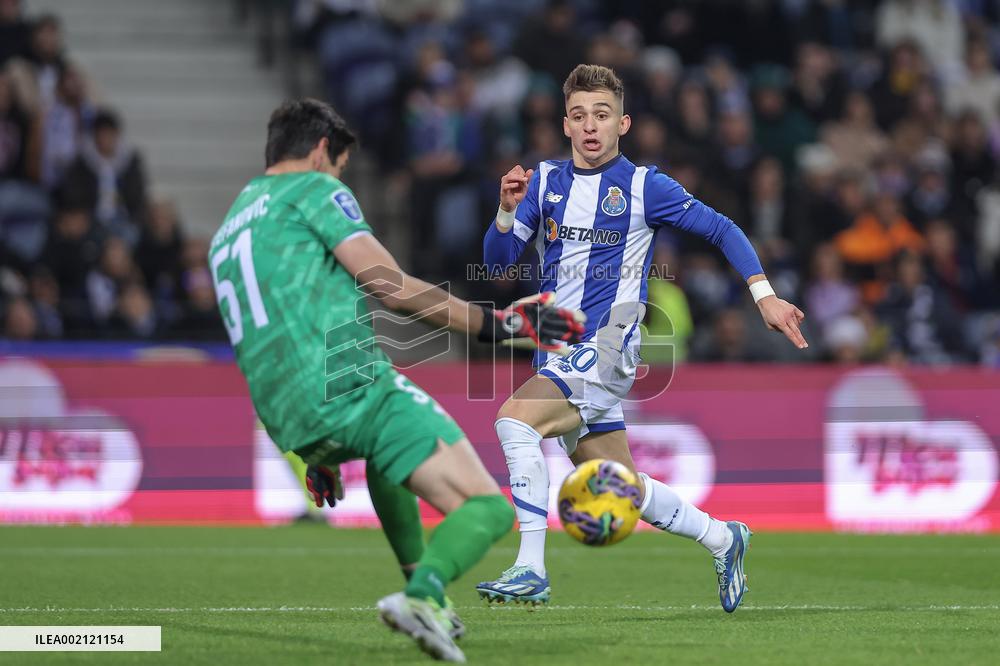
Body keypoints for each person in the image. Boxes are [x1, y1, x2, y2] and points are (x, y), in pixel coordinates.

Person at [210, 98, 583, 663]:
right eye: (339, 168)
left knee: (388, 463)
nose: (340, 179)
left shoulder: (229, 228)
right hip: (351, 384)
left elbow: (263, 334)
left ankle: (424, 592)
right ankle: (424, 593)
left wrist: (316, 450)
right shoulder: (313, 191)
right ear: (319, 153)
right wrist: (500, 324)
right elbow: (388, 283)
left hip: (287, 412)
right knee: (489, 510)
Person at [477, 64, 808, 613]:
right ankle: (725, 538)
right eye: (580, 115)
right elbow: (497, 268)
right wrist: (506, 211)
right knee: (618, 485)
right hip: (555, 354)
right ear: (564, 124)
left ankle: (530, 567)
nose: (590, 126)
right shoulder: (544, 183)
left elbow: (722, 227)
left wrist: (764, 295)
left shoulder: (644, 186)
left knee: (514, 420)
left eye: (602, 115)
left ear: (623, 123)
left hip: (605, 350)